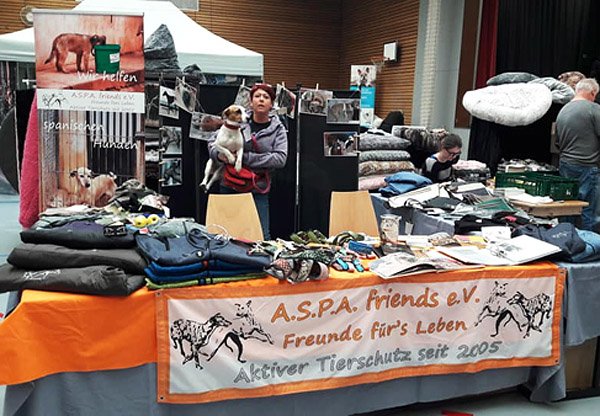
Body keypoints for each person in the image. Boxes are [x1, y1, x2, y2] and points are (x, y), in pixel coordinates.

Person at [208, 83, 288, 240]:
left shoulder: (278, 129)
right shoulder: (237, 119)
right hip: (230, 184)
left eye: (266, 97)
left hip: (257, 188)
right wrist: (218, 155)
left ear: (271, 104)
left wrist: (245, 158)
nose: (261, 100)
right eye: (257, 96)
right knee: (225, 235)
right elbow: (212, 141)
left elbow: (280, 158)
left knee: (261, 237)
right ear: (251, 102)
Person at [556, 78, 600, 231]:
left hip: (566, 165)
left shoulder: (563, 110)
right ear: (592, 93)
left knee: (568, 207)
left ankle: (566, 238)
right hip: (587, 167)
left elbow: (557, 142)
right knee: (590, 213)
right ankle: (589, 243)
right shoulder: (593, 109)